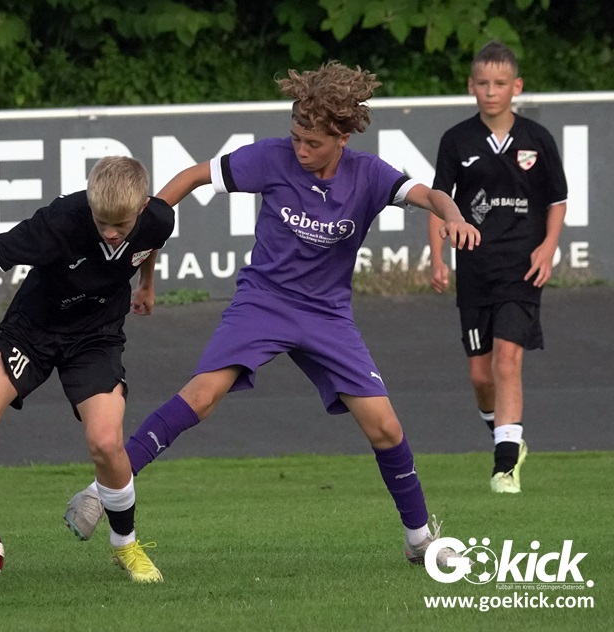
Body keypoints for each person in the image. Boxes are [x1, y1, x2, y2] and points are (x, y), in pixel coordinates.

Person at [63, 61, 479, 571]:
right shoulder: (271, 158)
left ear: (343, 138)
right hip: (264, 302)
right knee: (201, 395)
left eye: (313, 143)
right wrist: (144, 233)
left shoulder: (369, 175)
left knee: (385, 428)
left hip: (327, 315)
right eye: (296, 137)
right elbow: (193, 177)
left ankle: (419, 540)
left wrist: (453, 216)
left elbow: (429, 195)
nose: (300, 149)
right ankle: (100, 490)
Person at [0, 156, 174, 583]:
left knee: (106, 442)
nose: (110, 232)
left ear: (142, 206)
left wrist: (147, 284)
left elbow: (148, 246)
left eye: (121, 225)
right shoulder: (60, 222)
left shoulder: (158, 219)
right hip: (31, 332)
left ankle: (125, 547)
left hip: (95, 337)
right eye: (101, 222)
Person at [427, 42, 567, 494]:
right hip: (475, 269)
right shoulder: (457, 140)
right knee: (481, 376)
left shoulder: (536, 139)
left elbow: (557, 200)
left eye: (500, 83)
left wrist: (547, 247)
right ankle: (505, 435)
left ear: (516, 87)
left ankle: (504, 468)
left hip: (521, 268)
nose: (491, 91)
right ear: (471, 86)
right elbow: (438, 201)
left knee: (507, 359)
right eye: (483, 83)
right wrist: (438, 257)